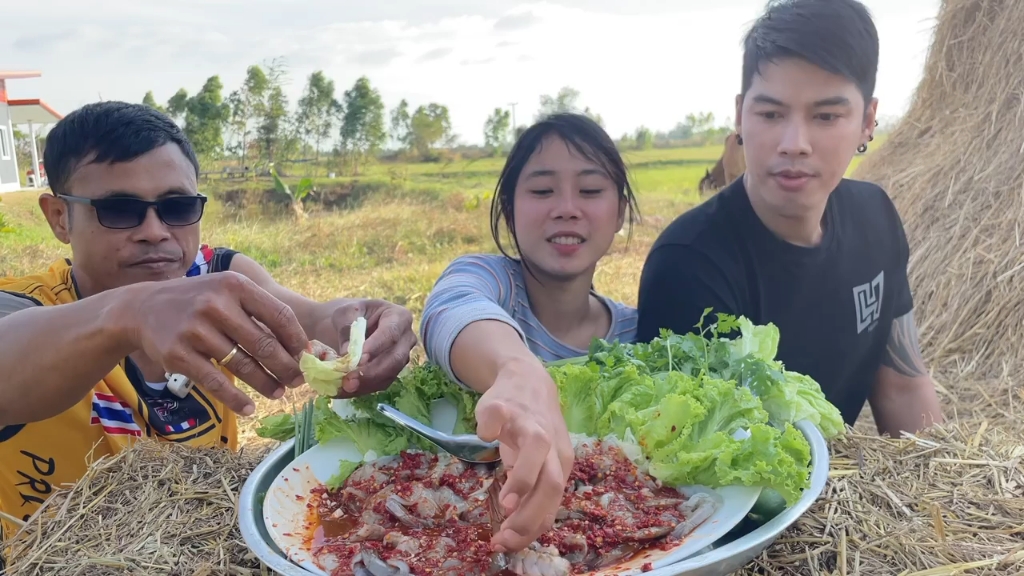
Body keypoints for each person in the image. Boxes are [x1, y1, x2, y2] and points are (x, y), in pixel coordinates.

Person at [0, 101, 422, 543]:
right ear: (59, 217)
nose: (155, 231)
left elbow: (310, 317)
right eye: (120, 210)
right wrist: (133, 311)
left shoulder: (216, 281)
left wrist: (355, 325)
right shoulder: (27, 305)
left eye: (177, 206)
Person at [636, 0, 943, 439]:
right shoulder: (688, 264)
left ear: (867, 121)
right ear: (741, 115)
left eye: (826, 116)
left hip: (845, 494)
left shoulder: (876, 219)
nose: (794, 143)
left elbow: (904, 386)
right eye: (771, 114)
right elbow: (699, 461)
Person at [420, 112, 640, 552]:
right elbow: (451, 307)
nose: (566, 208)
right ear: (509, 211)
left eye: (591, 190)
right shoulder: (489, 279)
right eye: (542, 191)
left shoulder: (638, 336)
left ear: (619, 212)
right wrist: (517, 371)